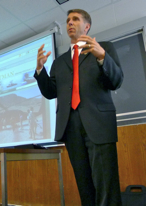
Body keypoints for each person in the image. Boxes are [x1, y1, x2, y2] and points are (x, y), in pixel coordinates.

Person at [34, 9, 123, 206]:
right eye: (67, 20)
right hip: (70, 127)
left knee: (106, 185)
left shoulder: (103, 48)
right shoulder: (59, 62)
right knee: (84, 186)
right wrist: (40, 69)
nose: (70, 23)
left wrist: (102, 58)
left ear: (87, 26)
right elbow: (50, 92)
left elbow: (116, 81)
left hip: (98, 125)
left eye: (75, 19)